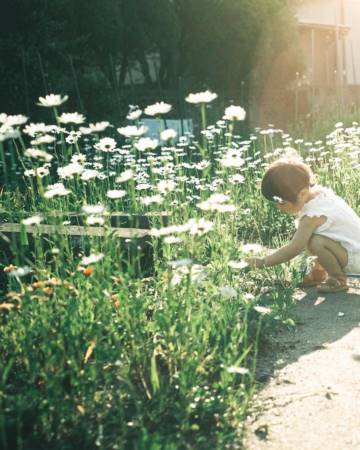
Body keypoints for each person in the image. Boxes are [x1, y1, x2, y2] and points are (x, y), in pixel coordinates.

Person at [245, 157, 360, 293]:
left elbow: (293, 249)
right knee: (314, 237)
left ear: (303, 193)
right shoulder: (320, 194)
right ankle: (318, 273)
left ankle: (338, 279)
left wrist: (263, 262)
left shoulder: (311, 217)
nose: (278, 208)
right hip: (352, 250)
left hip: (356, 258)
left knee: (315, 241)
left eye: (281, 203)